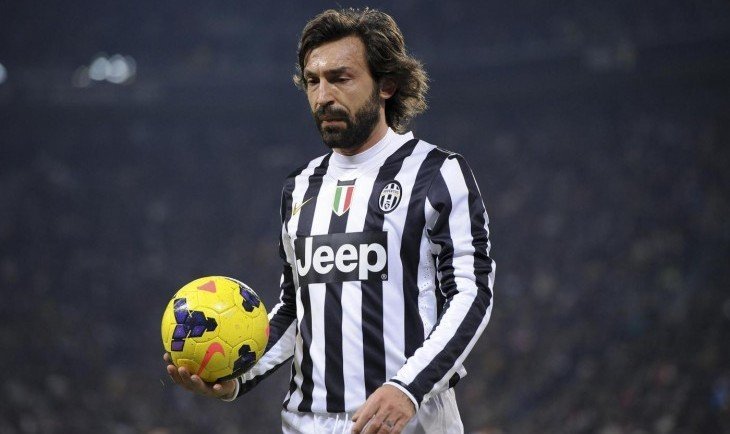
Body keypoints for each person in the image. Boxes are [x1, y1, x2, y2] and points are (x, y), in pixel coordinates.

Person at [164, 7, 495, 433]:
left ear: (387, 85)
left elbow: (471, 292)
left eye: (340, 78)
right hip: (307, 422)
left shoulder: (437, 172)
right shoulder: (299, 186)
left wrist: (409, 387)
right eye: (313, 81)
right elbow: (294, 309)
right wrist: (237, 376)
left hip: (406, 418)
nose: (323, 96)